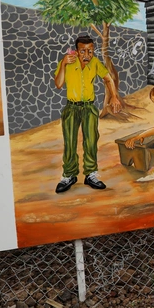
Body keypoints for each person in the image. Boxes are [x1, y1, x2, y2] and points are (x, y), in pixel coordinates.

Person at [53, 35, 123, 193]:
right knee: (70, 142)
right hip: (71, 108)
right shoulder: (68, 63)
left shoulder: (95, 63)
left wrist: (114, 96)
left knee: (91, 141)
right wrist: (63, 63)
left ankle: (91, 174)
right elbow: (58, 84)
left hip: (89, 108)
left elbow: (108, 79)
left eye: (90, 51)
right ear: (76, 51)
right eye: (83, 51)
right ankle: (69, 175)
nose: (87, 55)